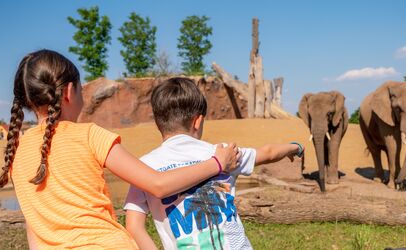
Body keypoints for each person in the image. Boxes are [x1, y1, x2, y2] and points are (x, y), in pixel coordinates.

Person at [0, 50, 240, 249]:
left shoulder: (17, 152)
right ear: (69, 92)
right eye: (82, 89)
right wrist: (217, 163)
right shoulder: (89, 135)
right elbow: (157, 184)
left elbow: (33, 229)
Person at [124, 77, 305, 250]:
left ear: (157, 123)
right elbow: (269, 153)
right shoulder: (224, 153)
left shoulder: (143, 168)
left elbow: (134, 226)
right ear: (198, 121)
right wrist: (294, 147)